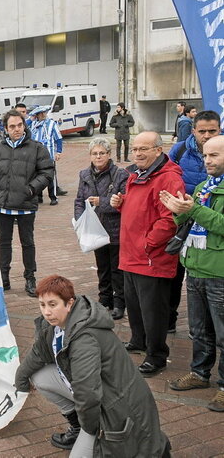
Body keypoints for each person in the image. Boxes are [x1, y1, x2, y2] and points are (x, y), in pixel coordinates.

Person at [15, 275, 170, 457]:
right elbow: (38, 353)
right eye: (42, 305)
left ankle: (88, 430)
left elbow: (87, 393)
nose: (47, 312)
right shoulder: (56, 326)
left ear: (69, 304)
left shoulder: (84, 339)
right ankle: (77, 426)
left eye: (52, 304)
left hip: (116, 406)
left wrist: (92, 428)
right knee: (40, 376)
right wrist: (21, 380)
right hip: (98, 397)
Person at [110, 131, 184, 376]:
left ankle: (157, 355)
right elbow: (140, 210)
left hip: (150, 257)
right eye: (135, 149)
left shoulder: (168, 178)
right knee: (135, 305)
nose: (138, 153)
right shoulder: (137, 174)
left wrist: (146, 243)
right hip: (131, 255)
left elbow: (170, 219)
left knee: (153, 311)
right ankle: (139, 340)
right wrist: (122, 205)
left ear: (158, 150)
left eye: (144, 149)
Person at [161, 135, 224, 413]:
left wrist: (193, 209)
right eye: (206, 155)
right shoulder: (202, 186)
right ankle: (200, 373)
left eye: (215, 156)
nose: (208, 161)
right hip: (195, 267)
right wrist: (178, 211)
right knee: (199, 330)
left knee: (222, 333)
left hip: (218, 272)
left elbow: (220, 224)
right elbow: (189, 222)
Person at [0, 110, 54, 294]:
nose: (16, 129)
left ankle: (30, 277)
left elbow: (47, 172)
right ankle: (3, 277)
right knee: (4, 242)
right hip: (2, 204)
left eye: (19, 125)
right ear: (5, 129)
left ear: (24, 126)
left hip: (25, 205)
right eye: (12, 126)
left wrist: (31, 189)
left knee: (27, 242)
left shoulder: (37, 148)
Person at [167, 110, 221, 333]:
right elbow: (168, 175)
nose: (207, 135)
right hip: (187, 222)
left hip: (210, 226)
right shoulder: (180, 150)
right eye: (202, 131)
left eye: (212, 131)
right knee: (178, 277)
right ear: (193, 131)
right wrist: (178, 208)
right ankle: (172, 322)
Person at [74, 138, 128, 319]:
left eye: (102, 153)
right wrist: (80, 220)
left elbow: (123, 202)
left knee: (116, 269)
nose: (98, 156)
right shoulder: (84, 174)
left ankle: (119, 302)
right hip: (95, 229)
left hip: (114, 229)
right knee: (102, 267)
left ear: (108, 154)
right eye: (95, 153)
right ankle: (105, 300)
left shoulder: (120, 175)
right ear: (90, 155)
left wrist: (101, 202)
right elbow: (80, 200)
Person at [28, 105, 65, 205]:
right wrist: (30, 119)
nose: (44, 114)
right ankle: (39, 196)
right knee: (36, 176)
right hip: (35, 155)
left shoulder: (51, 123)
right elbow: (24, 127)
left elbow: (58, 138)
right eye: (41, 113)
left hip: (48, 155)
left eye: (45, 112)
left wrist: (58, 152)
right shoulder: (33, 124)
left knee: (50, 177)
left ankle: (53, 197)